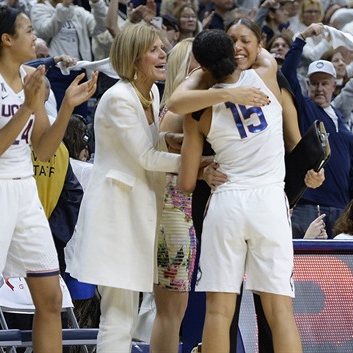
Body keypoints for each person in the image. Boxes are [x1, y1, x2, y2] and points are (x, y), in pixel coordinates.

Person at [0, 6, 97, 353]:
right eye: (29, 31)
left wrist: (66, 108)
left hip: (25, 190)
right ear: (7, 39)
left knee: (50, 299)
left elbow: (44, 150)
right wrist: (29, 107)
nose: (36, 37)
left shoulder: (35, 80)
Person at [177, 28, 302, 353]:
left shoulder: (198, 111)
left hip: (226, 204)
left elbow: (186, 183)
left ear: (201, 67)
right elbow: (258, 49)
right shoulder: (266, 73)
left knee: (219, 312)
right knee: (280, 313)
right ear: (234, 53)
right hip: (270, 203)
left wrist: (206, 171)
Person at [65, 23, 181, 353]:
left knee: (127, 315)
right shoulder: (118, 98)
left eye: (163, 47)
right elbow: (146, 156)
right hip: (115, 215)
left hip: (137, 212)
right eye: (155, 50)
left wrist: (178, 142)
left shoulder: (152, 93)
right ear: (133, 59)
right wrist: (194, 162)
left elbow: (153, 143)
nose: (164, 54)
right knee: (118, 315)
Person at [281, 22, 353, 238]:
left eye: (324, 83)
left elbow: (352, 171)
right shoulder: (304, 109)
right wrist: (301, 39)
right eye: (314, 83)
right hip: (308, 205)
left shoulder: (342, 121)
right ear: (307, 85)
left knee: (338, 269)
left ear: (334, 85)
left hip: (343, 209)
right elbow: (287, 75)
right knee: (308, 264)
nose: (319, 88)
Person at [151, 38, 199, 353]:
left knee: (175, 313)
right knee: (170, 314)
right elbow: (162, 148)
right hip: (173, 215)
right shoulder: (176, 109)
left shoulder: (188, 104)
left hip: (184, 215)